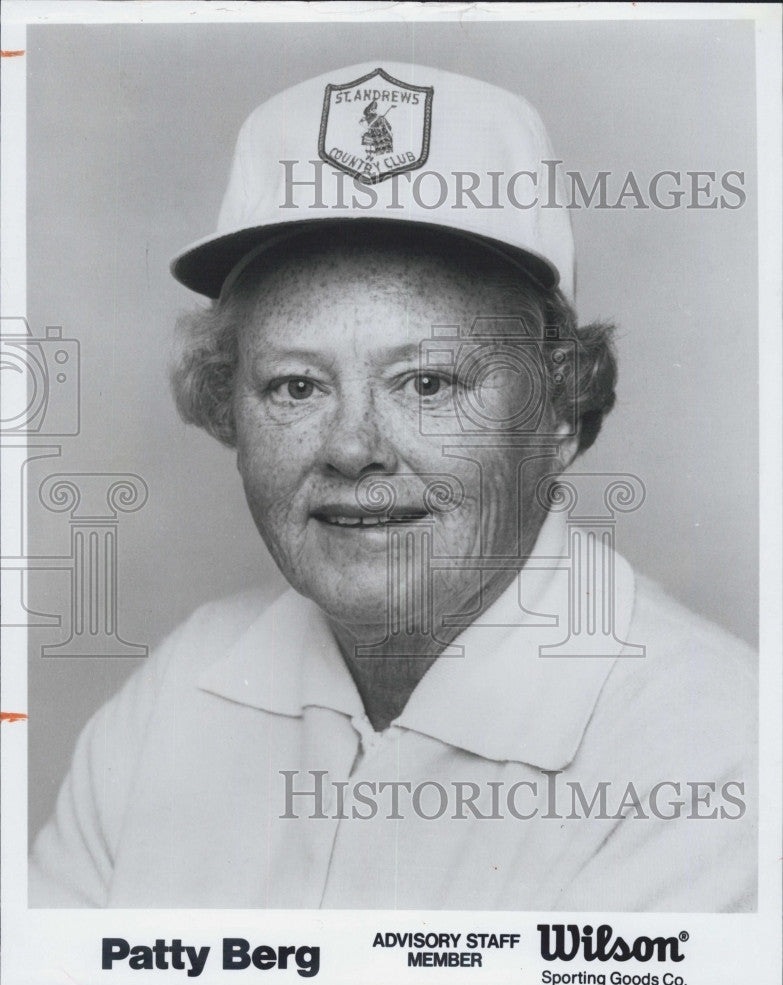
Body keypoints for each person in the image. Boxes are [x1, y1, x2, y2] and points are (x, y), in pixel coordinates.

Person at [30, 62, 756, 910]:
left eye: (428, 383)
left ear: (559, 408)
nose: (351, 448)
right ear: (226, 408)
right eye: (295, 386)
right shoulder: (180, 688)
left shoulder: (712, 748)